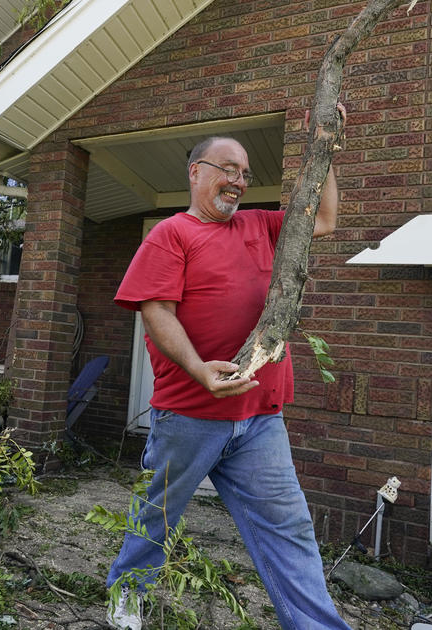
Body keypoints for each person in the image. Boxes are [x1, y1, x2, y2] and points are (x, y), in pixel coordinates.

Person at [105, 131, 350, 630]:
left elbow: (323, 219)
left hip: (260, 417)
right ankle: (127, 595)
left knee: (291, 529)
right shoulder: (172, 234)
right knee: (158, 515)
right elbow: (156, 310)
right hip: (190, 415)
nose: (237, 181)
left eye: (244, 173)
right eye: (227, 169)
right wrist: (198, 368)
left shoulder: (261, 225)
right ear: (195, 172)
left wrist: (324, 147)